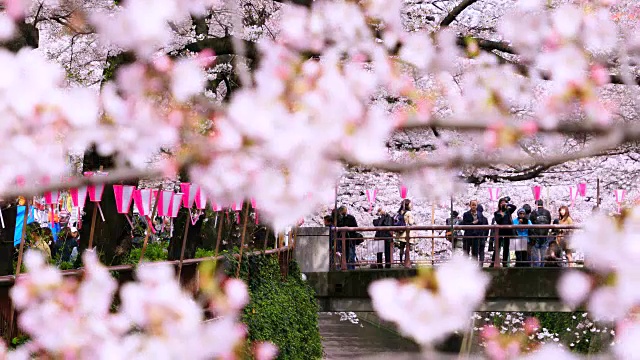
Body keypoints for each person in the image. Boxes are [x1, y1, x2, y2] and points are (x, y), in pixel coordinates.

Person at [461, 200, 489, 265]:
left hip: (477, 236)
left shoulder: (480, 214)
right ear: (470, 205)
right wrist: (472, 223)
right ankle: (465, 266)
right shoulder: (466, 214)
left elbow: (482, 225)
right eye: (472, 205)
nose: (474, 206)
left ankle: (474, 267)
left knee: (475, 252)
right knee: (466, 252)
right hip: (468, 235)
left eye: (475, 205)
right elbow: (464, 225)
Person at [492, 197, 517, 267]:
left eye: (503, 203)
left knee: (506, 247)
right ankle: (493, 262)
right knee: (497, 247)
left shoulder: (508, 211)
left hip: (507, 231)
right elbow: (498, 221)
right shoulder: (496, 213)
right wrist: (502, 215)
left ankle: (505, 262)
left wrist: (508, 204)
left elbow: (514, 207)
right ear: (499, 204)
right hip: (499, 232)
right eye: (501, 203)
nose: (502, 205)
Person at [529, 199, 552, 267]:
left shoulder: (533, 213)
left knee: (535, 253)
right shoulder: (547, 212)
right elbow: (549, 222)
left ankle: (536, 267)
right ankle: (542, 266)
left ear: (536, 204)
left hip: (536, 235)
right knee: (543, 252)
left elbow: (530, 224)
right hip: (544, 235)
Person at [395, 199, 415, 265]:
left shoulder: (400, 212)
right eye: (410, 204)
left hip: (400, 233)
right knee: (407, 248)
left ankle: (401, 261)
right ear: (407, 205)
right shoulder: (408, 213)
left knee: (401, 248)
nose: (411, 205)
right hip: (406, 233)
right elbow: (411, 222)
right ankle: (406, 262)